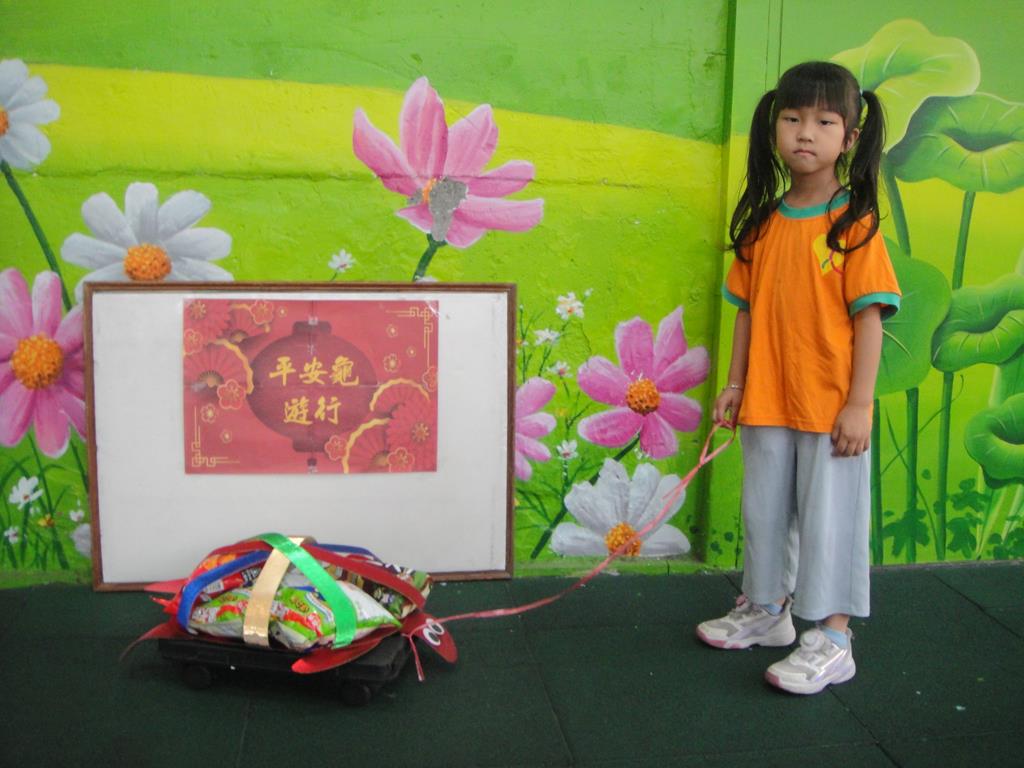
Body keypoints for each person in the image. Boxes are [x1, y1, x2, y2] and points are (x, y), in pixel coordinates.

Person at [696, 61, 901, 695]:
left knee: (828, 522)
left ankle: (834, 638)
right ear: (774, 127)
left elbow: (870, 321)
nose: (805, 133)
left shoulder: (854, 225)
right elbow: (747, 313)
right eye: (792, 118)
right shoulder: (763, 224)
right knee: (763, 513)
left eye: (824, 121)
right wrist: (734, 385)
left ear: (851, 136)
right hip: (766, 401)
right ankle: (766, 610)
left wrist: (860, 405)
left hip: (830, 408)